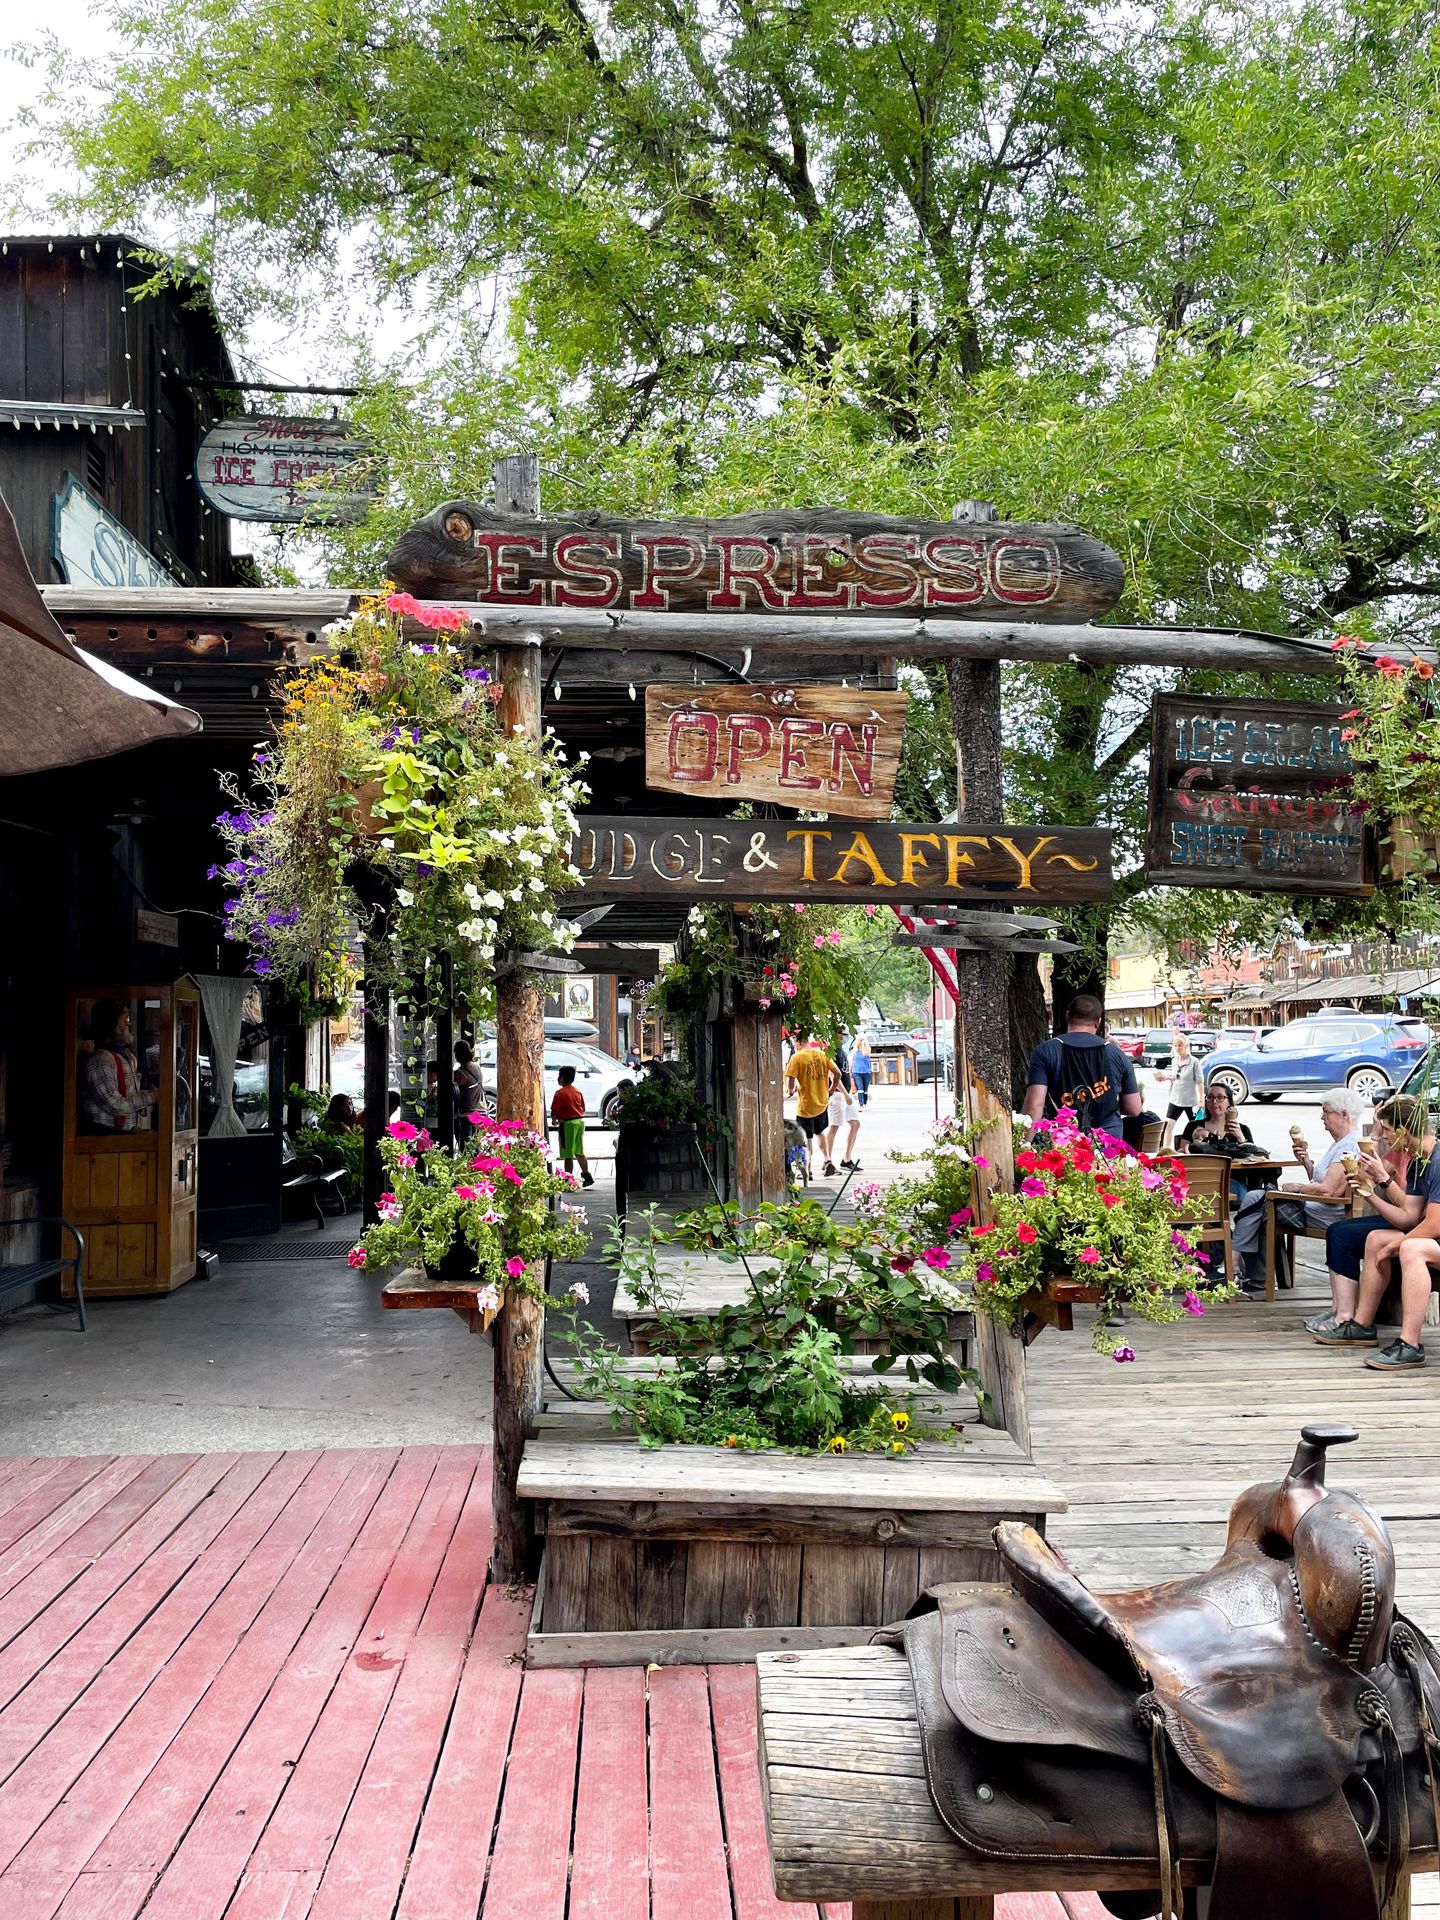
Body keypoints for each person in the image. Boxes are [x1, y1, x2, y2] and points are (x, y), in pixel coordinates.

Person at [1312, 1095, 1439, 1364]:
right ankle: (1361, 1325)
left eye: (1389, 1130)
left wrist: (1396, 1245)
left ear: (1403, 1132)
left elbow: (1434, 1224)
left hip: (1434, 1234)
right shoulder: (1419, 1161)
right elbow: (1409, 1217)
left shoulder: (1438, 1160)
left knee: (1410, 1247)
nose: (1386, 1136)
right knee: (1376, 1238)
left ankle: (1410, 1343)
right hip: (1434, 1236)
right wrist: (1369, 1194)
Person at [1228, 1086, 1360, 1293]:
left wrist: (1297, 1188)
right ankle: (1251, 1275)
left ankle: (1231, 1265)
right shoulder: (1342, 1143)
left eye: (1325, 1112)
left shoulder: (1349, 1145)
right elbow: (1322, 1181)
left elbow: (1328, 1191)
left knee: (1257, 1198)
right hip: (1316, 1207)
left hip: (1325, 1214)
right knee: (1259, 1207)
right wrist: (1306, 1161)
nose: (1322, 1118)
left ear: (1344, 1114)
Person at [1021, 994, 1142, 1136]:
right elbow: (1133, 1108)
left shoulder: (1046, 1051)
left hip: (1064, 1141)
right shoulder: (1117, 1055)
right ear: (1098, 1022)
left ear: (1067, 1016)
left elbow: (1034, 1105)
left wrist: (1024, 1145)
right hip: (1108, 1143)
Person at [81, 999, 156, 1133]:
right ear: (110, 1024)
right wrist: (152, 1098)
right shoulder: (100, 1060)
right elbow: (114, 1105)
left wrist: (152, 1096)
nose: (128, 1023)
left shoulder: (127, 1057)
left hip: (123, 1136)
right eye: (124, 1019)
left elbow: (130, 1096)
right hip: (104, 1139)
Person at [785, 1036, 840, 1179]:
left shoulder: (797, 1057)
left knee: (806, 1138)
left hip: (805, 1106)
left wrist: (791, 1090)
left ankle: (807, 1169)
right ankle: (827, 1160)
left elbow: (790, 1078)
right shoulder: (822, 1054)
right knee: (820, 1132)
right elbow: (837, 1073)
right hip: (822, 1103)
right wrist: (832, 1089)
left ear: (798, 1043)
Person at [1154, 1030, 1204, 1146]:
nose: (1177, 1048)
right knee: (1168, 1126)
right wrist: (1165, 1077)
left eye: (1180, 1045)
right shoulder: (1174, 1061)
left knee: (1196, 1128)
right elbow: (1175, 1076)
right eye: (1175, 1046)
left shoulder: (1194, 1062)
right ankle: (1166, 1151)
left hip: (1190, 1101)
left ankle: (1196, 1149)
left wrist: (1201, 1100)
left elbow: (1200, 1082)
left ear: (1186, 1046)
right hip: (1175, 1099)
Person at [551, 1064, 594, 1187]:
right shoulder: (577, 1091)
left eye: (559, 1076)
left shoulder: (559, 1093)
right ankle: (587, 1175)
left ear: (562, 1078)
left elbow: (554, 1110)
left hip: (567, 1124)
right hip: (580, 1121)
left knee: (568, 1154)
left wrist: (554, 1120)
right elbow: (583, 1107)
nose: (558, 1079)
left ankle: (568, 1180)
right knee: (579, 1151)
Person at [821, 1068, 862, 1177]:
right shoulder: (830, 1051)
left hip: (846, 1091)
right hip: (838, 1093)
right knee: (834, 1126)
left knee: (855, 1123)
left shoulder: (842, 1051)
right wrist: (844, 1093)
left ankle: (846, 1159)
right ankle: (827, 1161)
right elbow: (833, 1075)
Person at [454, 1041, 486, 1112]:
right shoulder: (476, 1067)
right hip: (480, 1110)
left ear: (458, 1054)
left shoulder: (460, 1073)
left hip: (468, 1113)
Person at [850, 1033, 873, 1107]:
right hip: (856, 1071)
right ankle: (861, 1104)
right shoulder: (855, 1049)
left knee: (865, 1089)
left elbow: (865, 1053)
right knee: (860, 1088)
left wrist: (863, 1043)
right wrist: (850, 1069)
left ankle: (865, 1103)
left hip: (866, 1071)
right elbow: (852, 1060)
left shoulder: (867, 1048)